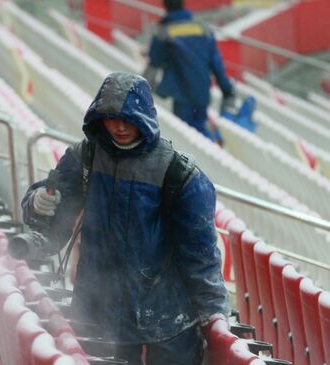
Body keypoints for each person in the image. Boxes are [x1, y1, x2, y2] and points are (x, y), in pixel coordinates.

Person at [20, 72, 229, 365]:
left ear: (145, 117)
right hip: (96, 314)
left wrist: (214, 312)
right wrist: (39, 202)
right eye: (110, 118)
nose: (119, 127)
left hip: (164, 322)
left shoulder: (180, 176)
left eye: (127, 119)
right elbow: (52, 228)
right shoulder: (86, 158)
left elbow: (201, 257)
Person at [143, 0, 236, 145]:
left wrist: (144, 90)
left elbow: (153, 64)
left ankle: (207, 152)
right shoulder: (203, 29)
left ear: (165, 7)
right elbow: (217, 65)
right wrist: (227, 90)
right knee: (198, 126)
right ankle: (211, 146)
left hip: (181, 94)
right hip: (202, 91)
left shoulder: (163, 32)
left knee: (186, 138)